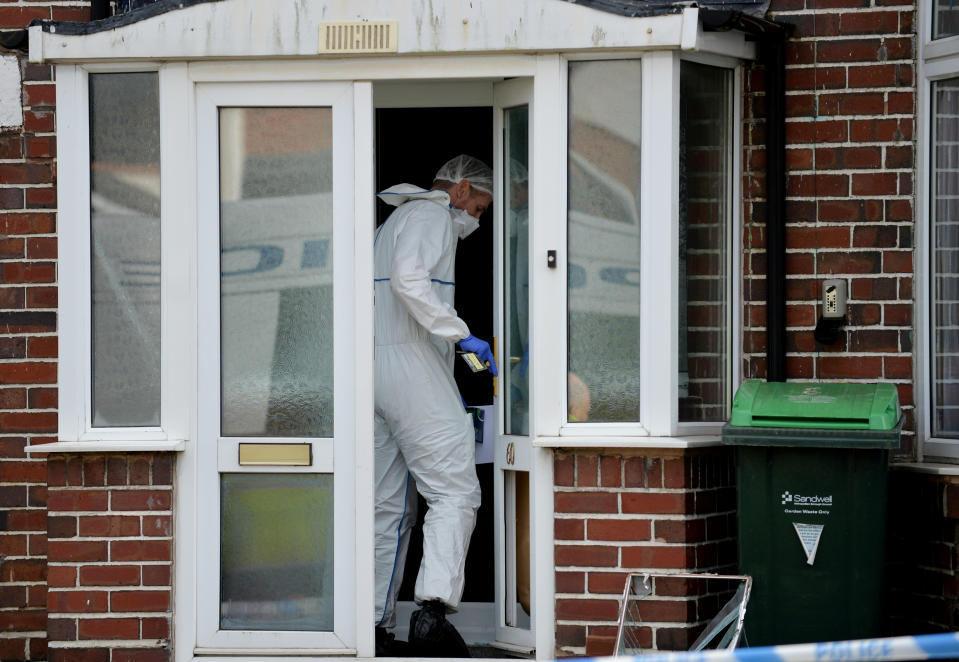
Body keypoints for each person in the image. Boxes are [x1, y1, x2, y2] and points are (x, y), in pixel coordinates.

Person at [373, 155, 498, 657]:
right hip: (411, 366)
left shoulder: (392, 222)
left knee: (386, 506)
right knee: (455, 491)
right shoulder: (431, 214)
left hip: (375, 372)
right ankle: (432, 611)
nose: (477, 219)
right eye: (480, 208)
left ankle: (372, 625)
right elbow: (409, 282)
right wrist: (461, 334)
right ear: (462, 188)